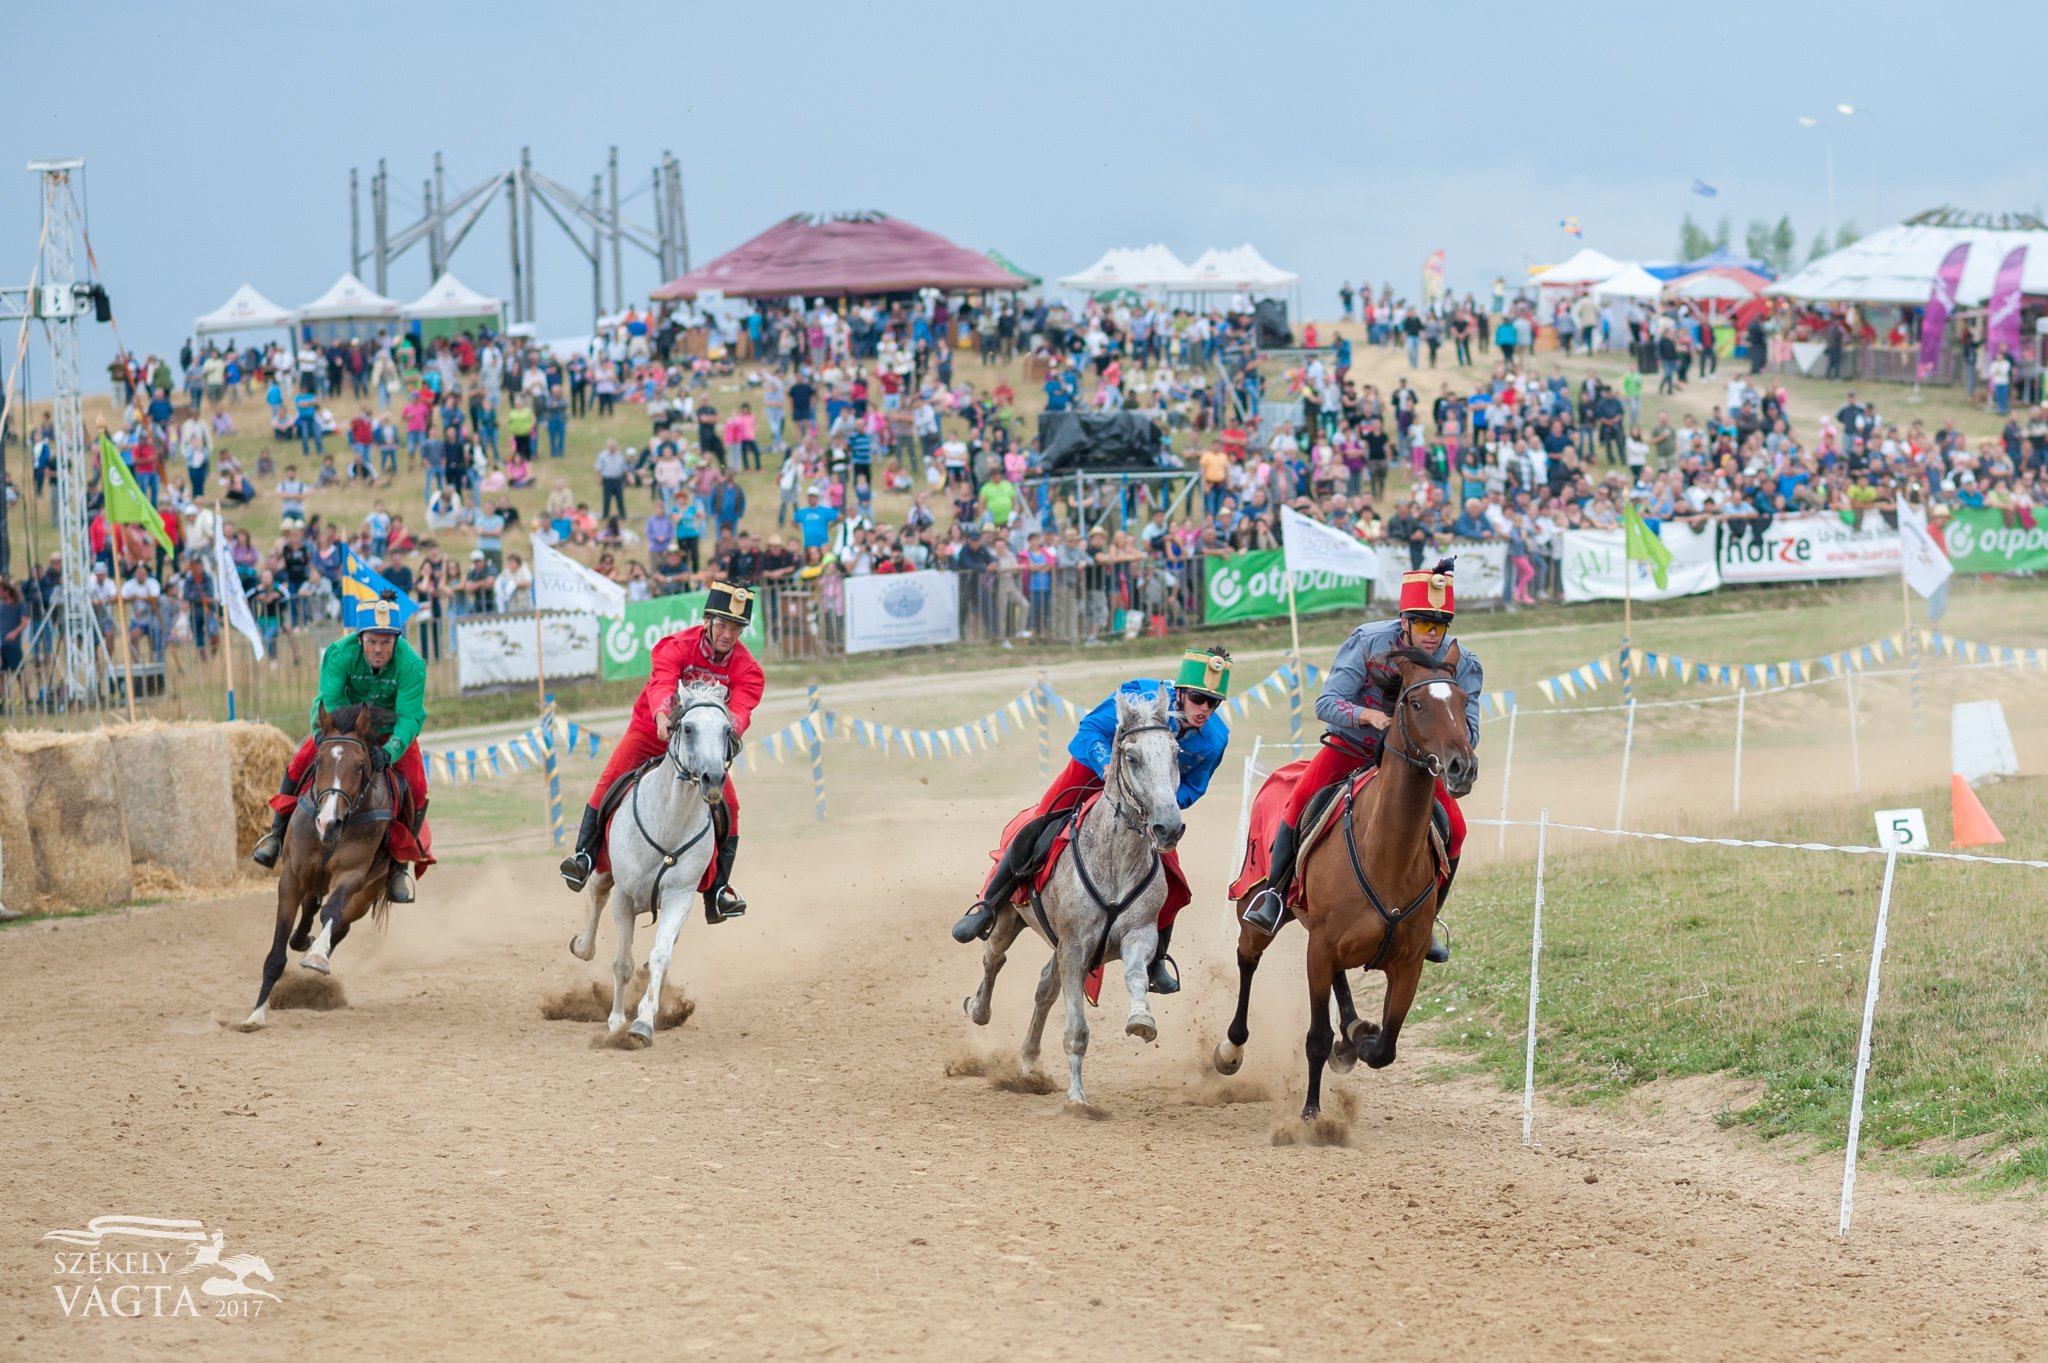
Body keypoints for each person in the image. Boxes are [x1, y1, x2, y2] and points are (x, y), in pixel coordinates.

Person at [949, 648, 1233, 995]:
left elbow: (1194, 786)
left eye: (1214, 703)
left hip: (1145, 800)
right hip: (1093, 770)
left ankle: (1156, 957)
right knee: (1037, 824)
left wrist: (1162, 803)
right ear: (1180, 692)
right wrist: (1106, 767)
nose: (1205, 709)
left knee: (1169, 868)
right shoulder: (1136, 697)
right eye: (1200, 699)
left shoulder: (1216, 738)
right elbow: (1089, 732)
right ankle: (988, 906)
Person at [1241, 561, 1481, 953]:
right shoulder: (1368, 641)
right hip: (1351, 748)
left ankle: (1429, 917)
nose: (1432, 634)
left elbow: (1470, 730)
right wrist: (1366, 716)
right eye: (1423, 623)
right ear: (1404, 621)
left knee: (1456, 826)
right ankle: (1273, 895)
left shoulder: (1464, 663)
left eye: (1440, 625)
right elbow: (1326, 703)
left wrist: (1450, 741)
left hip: (1416, 765)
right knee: (1299, 801)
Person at [558, 582, 763, 922]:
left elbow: (740, 712)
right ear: (708, 620)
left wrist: (729, 735)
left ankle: (718, 891)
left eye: (736, 628)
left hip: (700, 749)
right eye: (723, 625)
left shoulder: (749, 669)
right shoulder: (676, 646)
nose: (728, 634)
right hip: (651, 731)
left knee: (732, 806)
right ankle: (584, 857)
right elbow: (662, 682)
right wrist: (661, 716)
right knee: (609, 780)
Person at [248, 592, 432, 903]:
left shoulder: (412, 665)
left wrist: (390, 752)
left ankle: (398, 866)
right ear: (360, 638)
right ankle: (276, 836)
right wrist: (324, 735)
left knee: (417, 785)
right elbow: (327, 700)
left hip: (390, 733)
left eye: (387, 642)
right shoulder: (338, 654)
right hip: (343, 728)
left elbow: (410, 716)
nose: (379, 648)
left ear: (396, 640)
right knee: (298, 764)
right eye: (373, 640)